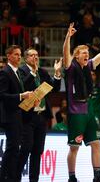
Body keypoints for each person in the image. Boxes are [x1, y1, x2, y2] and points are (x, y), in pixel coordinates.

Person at [63, 22, 100, 182]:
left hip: (88, 109)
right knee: (74, 147)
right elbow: (65, 55)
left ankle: (97, 176)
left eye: (87, 52)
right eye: (83, 52)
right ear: (76, 56)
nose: (86, 54)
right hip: (75, 112)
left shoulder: (89, 65)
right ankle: (72, 177)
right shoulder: (70, 67)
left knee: (96, 143)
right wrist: (68, 37)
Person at [17, 48, 62, 182]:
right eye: (32, 55)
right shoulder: (21, 72)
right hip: (27, 117)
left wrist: (57, 73)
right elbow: (22, 87)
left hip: (41, 116)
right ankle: (15, 177)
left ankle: (34, 180)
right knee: (25, 149)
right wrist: (32, 73)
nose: (35, 57)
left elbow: (55, 89)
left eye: (37, 55)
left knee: (37, 151)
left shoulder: (42, 72)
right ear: (26, 59)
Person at [0, 45, 34, 182]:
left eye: (20, 54)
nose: (19, 57)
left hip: (18, 115)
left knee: (15, 149)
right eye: (15, 54)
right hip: (9, 116)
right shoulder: (5, 72)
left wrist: (31, 101)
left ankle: (11, 177)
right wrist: (21, 96)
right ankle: (4, 177)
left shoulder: (18, 72)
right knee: (12, 148)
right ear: (8, 56)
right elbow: (2, 95)